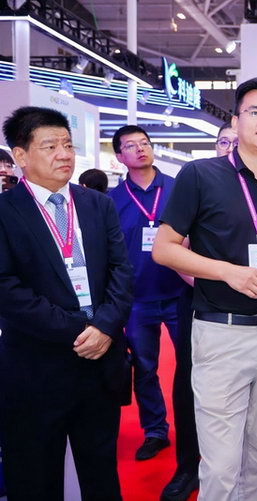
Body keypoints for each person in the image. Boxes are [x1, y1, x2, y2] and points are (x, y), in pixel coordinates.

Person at [152, 77, 257, 501]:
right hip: (221, 334)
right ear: (237, 121)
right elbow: (164, 249)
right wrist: (226, 272)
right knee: (221, 467)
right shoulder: (200, 175)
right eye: (256, 112)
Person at [0, 106, 133, 500]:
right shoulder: (5, 212)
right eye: (50, 146)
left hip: (100, 363)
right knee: (35, 478)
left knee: (101, 474)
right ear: (21, 155)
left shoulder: (97, 204)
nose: (64, 154)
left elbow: (121, 272)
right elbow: (7, 289)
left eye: (68, 144)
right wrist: (81, 329)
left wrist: (105, 326)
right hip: (36, 367)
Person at [109, 125, 187, 462]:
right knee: (144, 368)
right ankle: (155, 430)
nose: (141, 149)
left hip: (181, 292)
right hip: (137, 298)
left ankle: (194, 429)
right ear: (119, 156)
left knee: (192, 365)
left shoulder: (177, 188)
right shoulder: (112, 200)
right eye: (131, 145)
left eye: (145, 143)